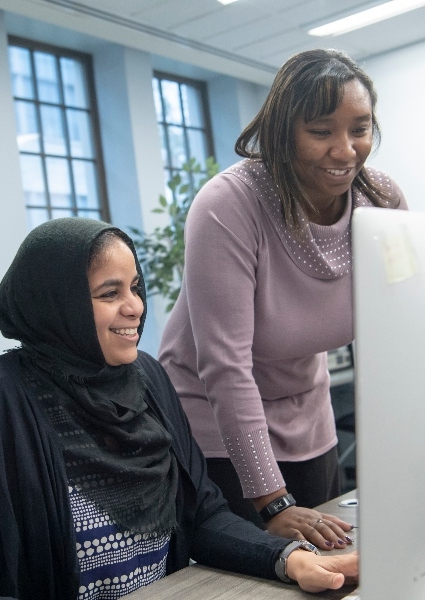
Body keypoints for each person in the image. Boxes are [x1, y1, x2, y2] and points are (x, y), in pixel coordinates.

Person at [0, 217, 358, 600]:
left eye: (135, 288)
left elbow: (201, 516)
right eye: (109, 293)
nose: (134, 307)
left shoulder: (147, 378)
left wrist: (289, 561)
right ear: (57, 303)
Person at [158, 49, 408, 548]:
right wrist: (271, 501)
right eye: (321, 132)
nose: (346, 150)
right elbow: (225, 365)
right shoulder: (229, 206)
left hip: (306, 409)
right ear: (283, 132)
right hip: (213, 418)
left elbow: (403, 329)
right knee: (258, 572)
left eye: (359, 129)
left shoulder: (381, 203)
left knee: (331, 557)